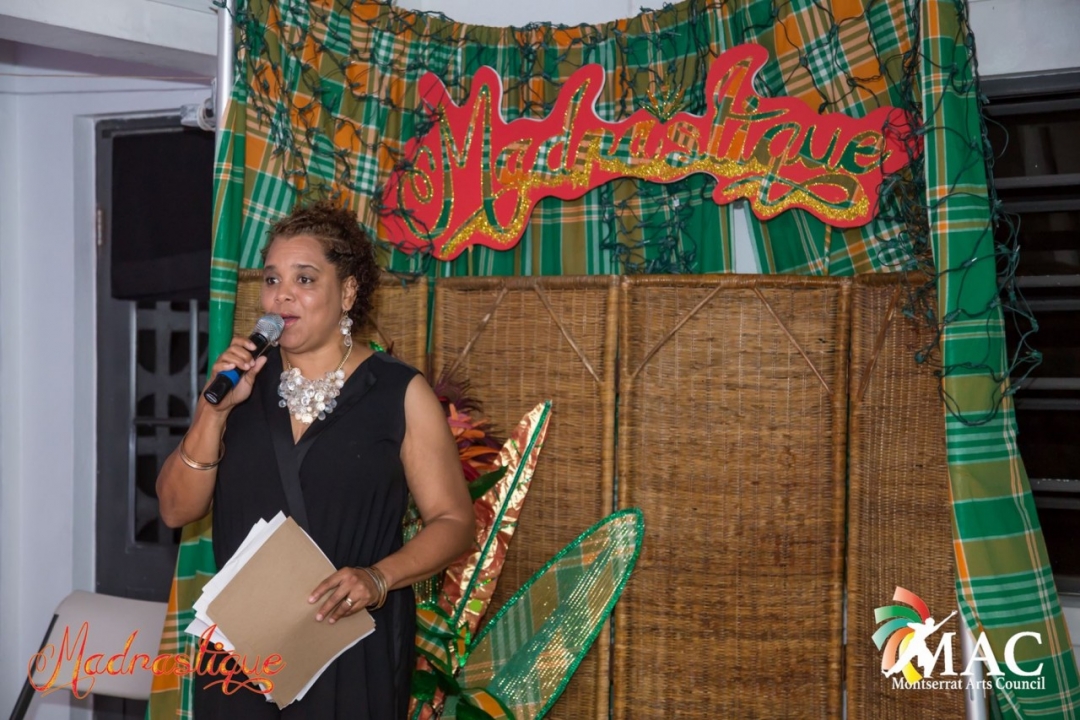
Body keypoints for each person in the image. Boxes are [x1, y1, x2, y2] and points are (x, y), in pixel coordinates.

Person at [156, 201, 474, 718]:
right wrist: (213, 415)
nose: (282, 294)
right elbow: (175, 510)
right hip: (245, 650)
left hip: (350, 647)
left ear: (347, 292)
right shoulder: (238, 386)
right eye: (272, 280)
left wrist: (377, 578)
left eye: (304, 279)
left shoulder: (397, 392)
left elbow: (455, 523)